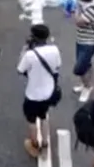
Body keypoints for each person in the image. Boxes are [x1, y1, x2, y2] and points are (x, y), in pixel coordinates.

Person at [17, 23, 62, 158]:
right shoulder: (54, 50)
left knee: (31, 119)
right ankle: (46, 141)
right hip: (49, 92)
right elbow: (57, 66)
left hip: (33, 93)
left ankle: (34, 143)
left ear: (33, 37)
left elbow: (20, 69)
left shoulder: (30, 55)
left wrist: (24, 50)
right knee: (43, 115)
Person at [72, 0, 94, 102]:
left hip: (89, 43)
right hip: (81, 40)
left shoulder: (92, 9)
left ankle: (88, 87)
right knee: (87, 64)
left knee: (80, 68)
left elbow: (79, 22)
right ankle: (85, 84)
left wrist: (76, 10)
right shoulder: (87, 4)